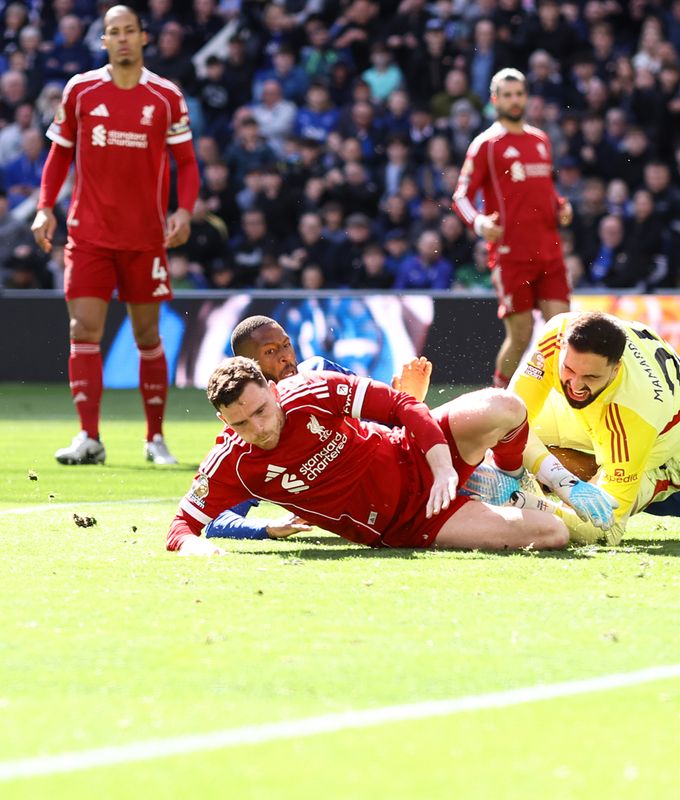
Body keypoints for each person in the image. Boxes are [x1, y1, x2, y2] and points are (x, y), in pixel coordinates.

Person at [167, 357, 569, 556]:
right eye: (241, 424)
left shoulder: (311, 389)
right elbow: (181, 526)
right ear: (223, 420)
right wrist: (195, 548)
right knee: (554, 533)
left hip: (412, 452)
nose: (258, 429)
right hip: (409, 521)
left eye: (261, 411)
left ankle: (509, 479)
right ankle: (487, 493)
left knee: (506, 405)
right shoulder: (231, 462)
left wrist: (442, 465)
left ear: (273, 390)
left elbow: (400, 404)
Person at [32, 5, 200, 466]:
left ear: (144, 38)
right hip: (88, 235)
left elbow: (186, 162)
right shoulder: (81, 90)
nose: (122, 38)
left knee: (148, 335)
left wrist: (184, 211)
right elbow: (58, 155)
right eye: (113, 32)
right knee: (82, 329)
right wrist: (45, 207)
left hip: (146, 238)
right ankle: (89, 437)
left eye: (130, 31)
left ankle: (155, 438)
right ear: (103, 40)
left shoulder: (166, 97)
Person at [493, 311, 680, 545]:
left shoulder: (632, 416)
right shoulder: (556, 337)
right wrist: (558, 477)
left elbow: (605, 530)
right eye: (568, 370)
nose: (576, 386)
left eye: (590, 376)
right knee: (497, 427)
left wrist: (521, 501)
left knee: (594, 517)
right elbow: (509, 417)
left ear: (616, 369)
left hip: (662, 448)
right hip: (600, 414)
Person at [202, 315, 433, 542]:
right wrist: (269, 528)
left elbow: (384, 431)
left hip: (406, 476)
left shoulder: (320, 372)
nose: (285, 357)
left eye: (286, 345)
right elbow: (217, 522)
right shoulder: (253, 436)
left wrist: (410, 402)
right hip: (379, 519)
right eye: (270, 351)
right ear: (248, 365)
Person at [452, 68, 573, 389]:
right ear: (495, 100)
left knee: (563, 330)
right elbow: (461, 195)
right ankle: (498, 396)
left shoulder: (541, 140)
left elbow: (544, 189)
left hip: (549, 251)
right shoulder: (486, 145)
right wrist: (479, 223)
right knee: (520, 336)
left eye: (519, 94)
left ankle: (561, 403)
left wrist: (560, 206)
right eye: (507, 95)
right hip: (511, 255)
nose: (515, 100)